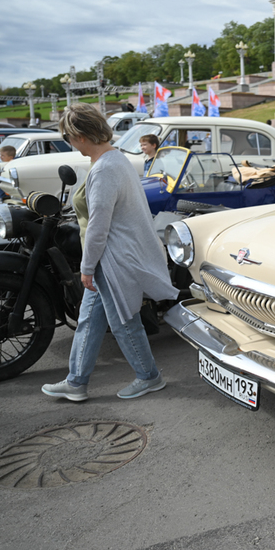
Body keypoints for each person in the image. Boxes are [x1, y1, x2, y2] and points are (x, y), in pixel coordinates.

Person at [41, 103, 178, 402]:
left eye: (67, 135)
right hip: (115, 255)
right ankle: (76, 382)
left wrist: (87, 267)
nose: (68, 141)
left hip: (111, 258)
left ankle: (149, 377)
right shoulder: (115, 160)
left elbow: (98, 226)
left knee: (123, 321)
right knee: (91, 319)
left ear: (80, 135)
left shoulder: (103, 169)